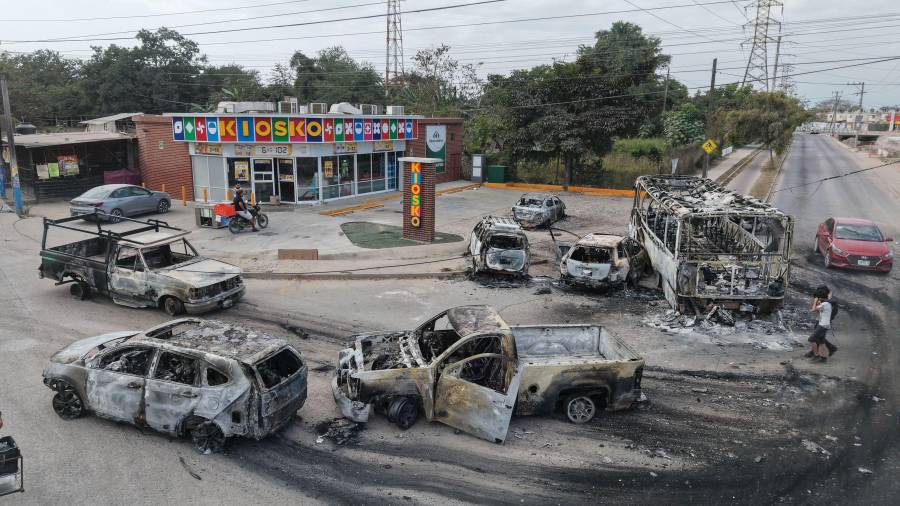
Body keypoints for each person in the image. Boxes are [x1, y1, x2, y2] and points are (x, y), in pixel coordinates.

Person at [806, 285, 833, 362]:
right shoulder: (827, 303)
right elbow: (818, 310)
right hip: (825, 324)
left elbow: (813, 310)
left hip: (822, 325)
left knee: (811, 339)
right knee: (821, 341)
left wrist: (815, 301)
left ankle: (816, 355)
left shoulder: (824, 304)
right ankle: (823, 358)